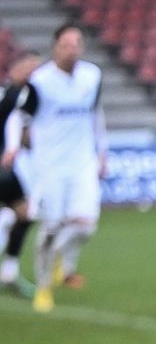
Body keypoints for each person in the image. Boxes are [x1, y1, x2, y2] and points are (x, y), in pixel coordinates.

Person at [3, 27, 105, 313]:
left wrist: (103, 152)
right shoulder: (41, 82)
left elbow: (96, 114)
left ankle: (61, 259)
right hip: (49, 167)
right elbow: (17, 118)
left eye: (76, 44)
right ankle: (44, 288)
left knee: (86, 225)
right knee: (50, 227)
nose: (71, 50)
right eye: (66, 45)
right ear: (55, 47)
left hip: (83, 163)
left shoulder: (92, 76)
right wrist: (13, 146)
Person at [0, 49, 42, 295]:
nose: (33, 74)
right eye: (30, 68)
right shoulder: (12, 96)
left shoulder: (25, 98)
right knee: (23, 212)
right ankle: (9, 270)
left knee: (24, 213)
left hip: (8, 168)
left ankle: (9, 271)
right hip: (4, 168)